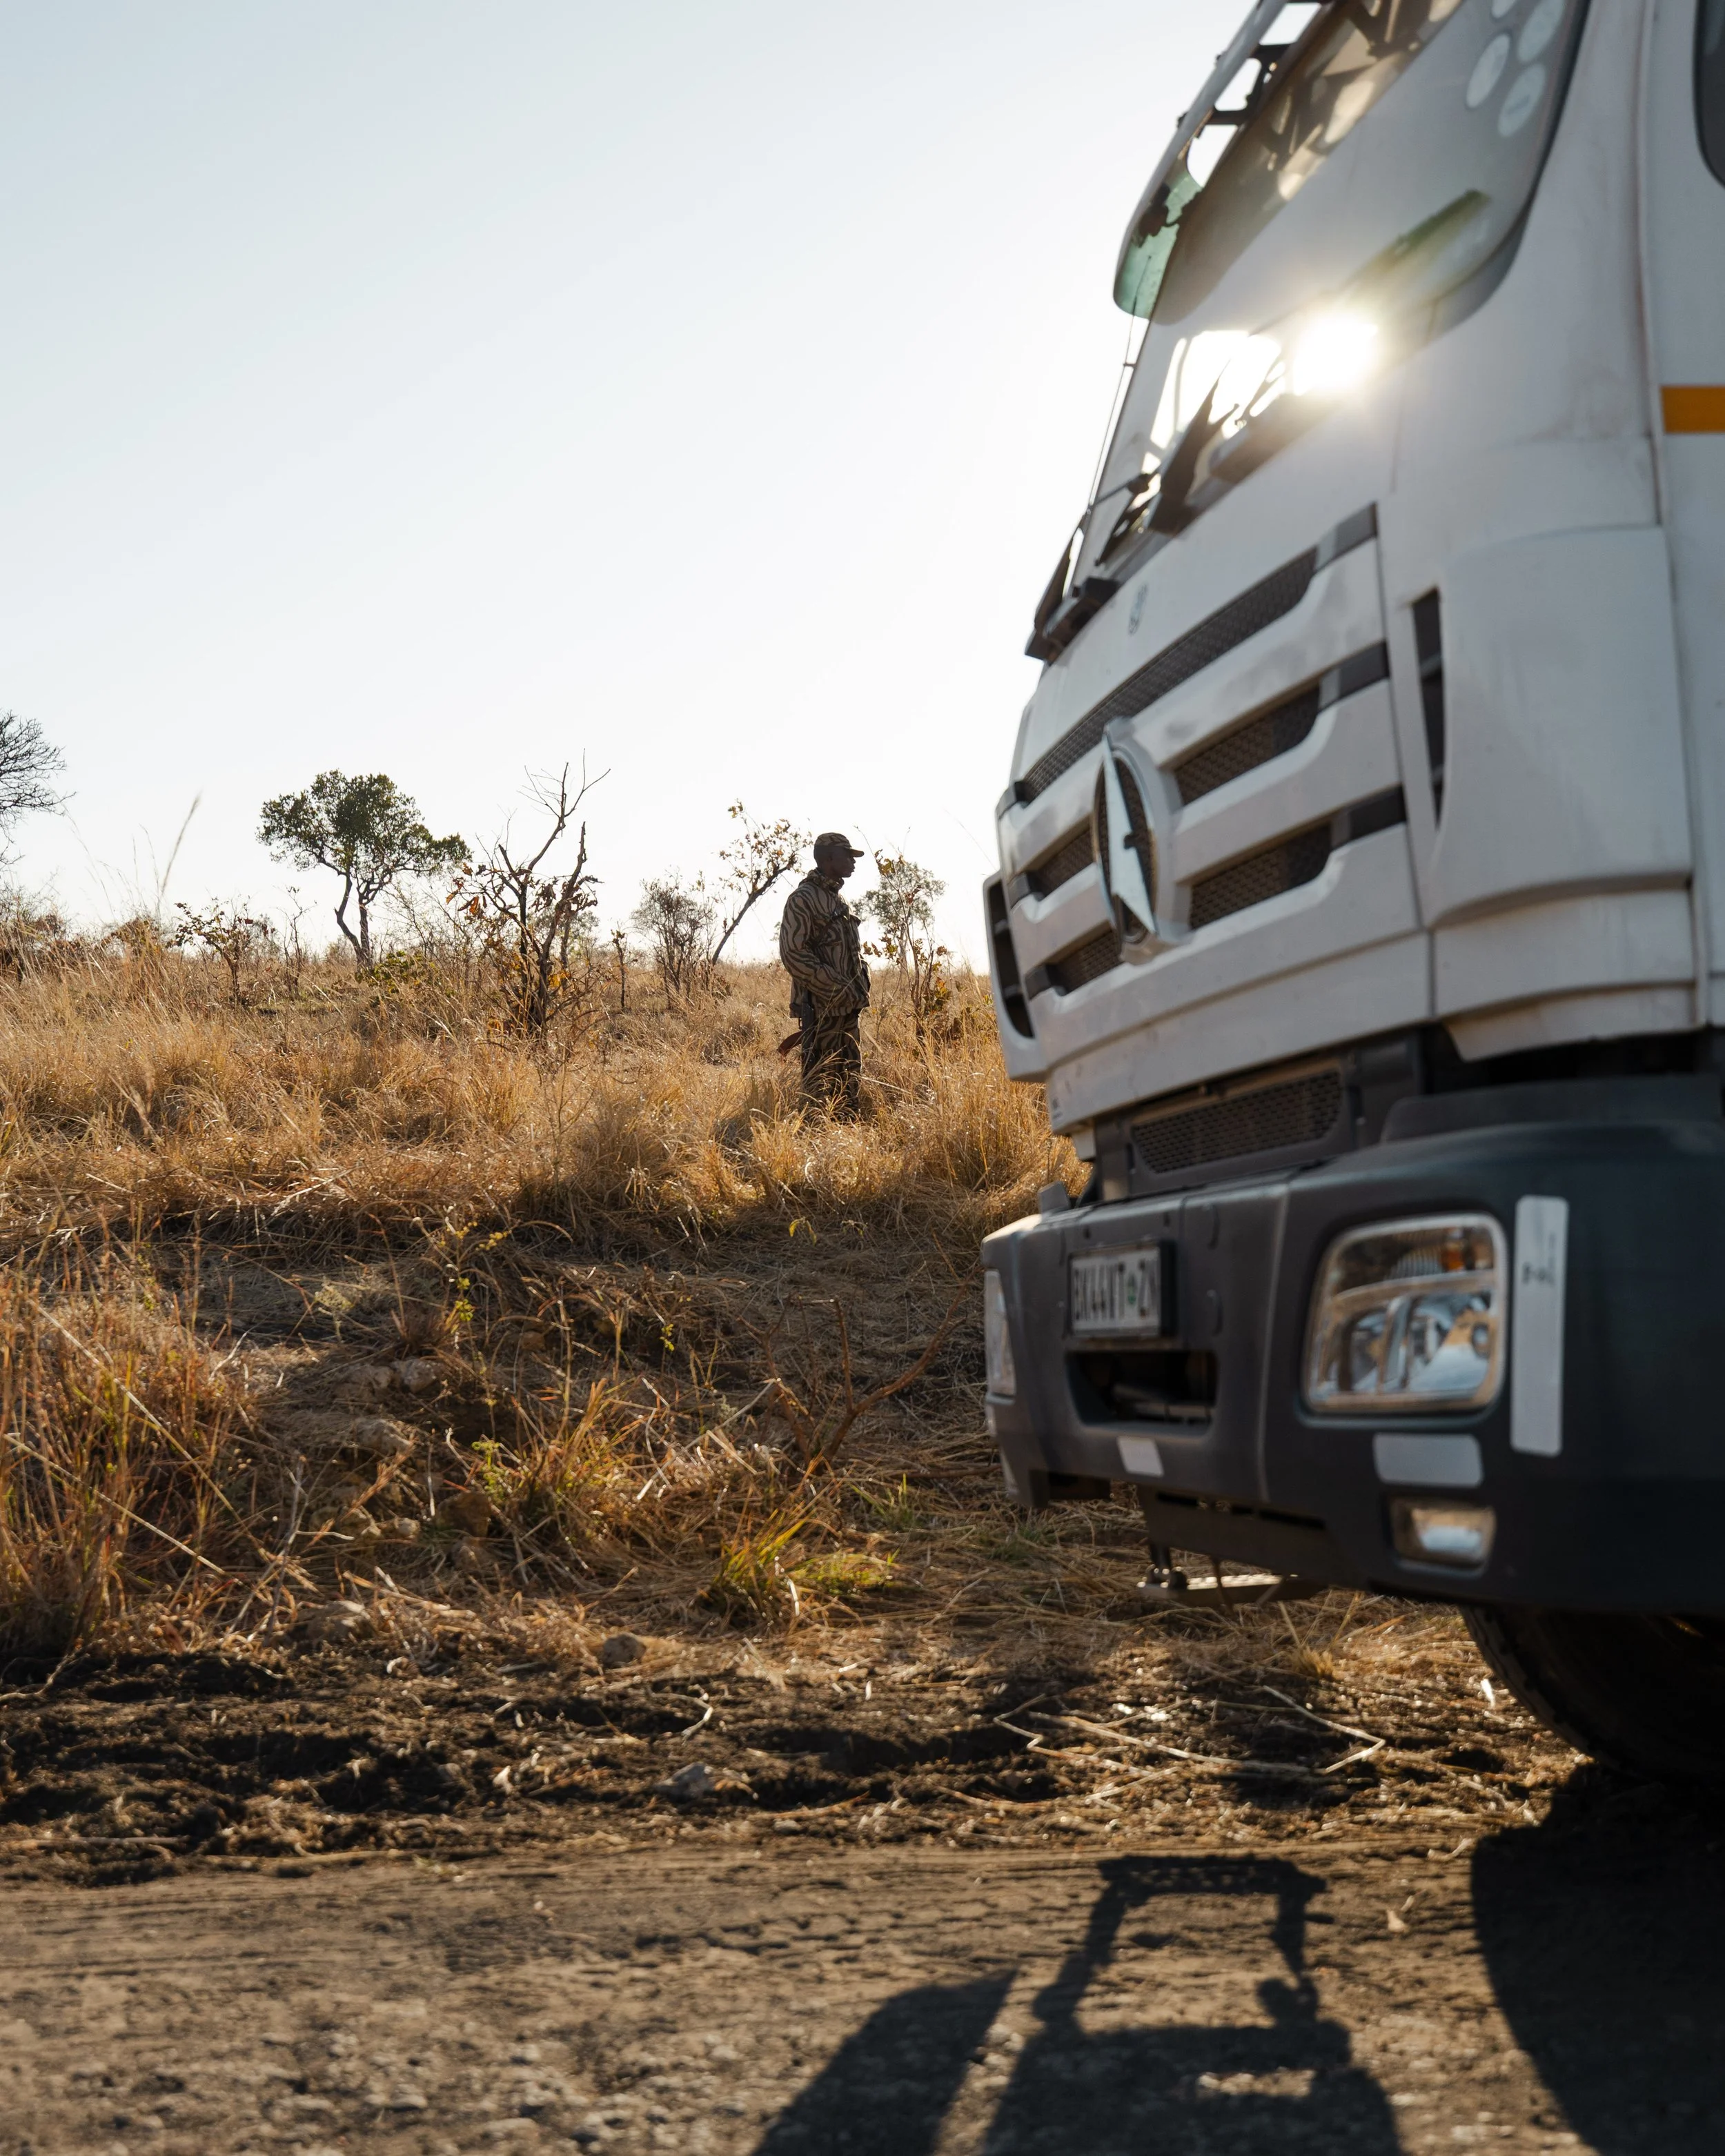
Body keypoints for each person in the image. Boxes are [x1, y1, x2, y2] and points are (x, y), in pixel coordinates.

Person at [778, 832, 870, 1115]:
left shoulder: (838, 900)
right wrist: (835, 986)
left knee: (849, 1070)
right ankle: (817, 1133)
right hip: (822, 1006)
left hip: (848, 1005)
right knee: (823, 1076)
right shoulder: (803, 898)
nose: (853, 863)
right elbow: (793, 952)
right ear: (829, 858)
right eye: (847, 856)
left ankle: (847, 1127)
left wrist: (858, 983)